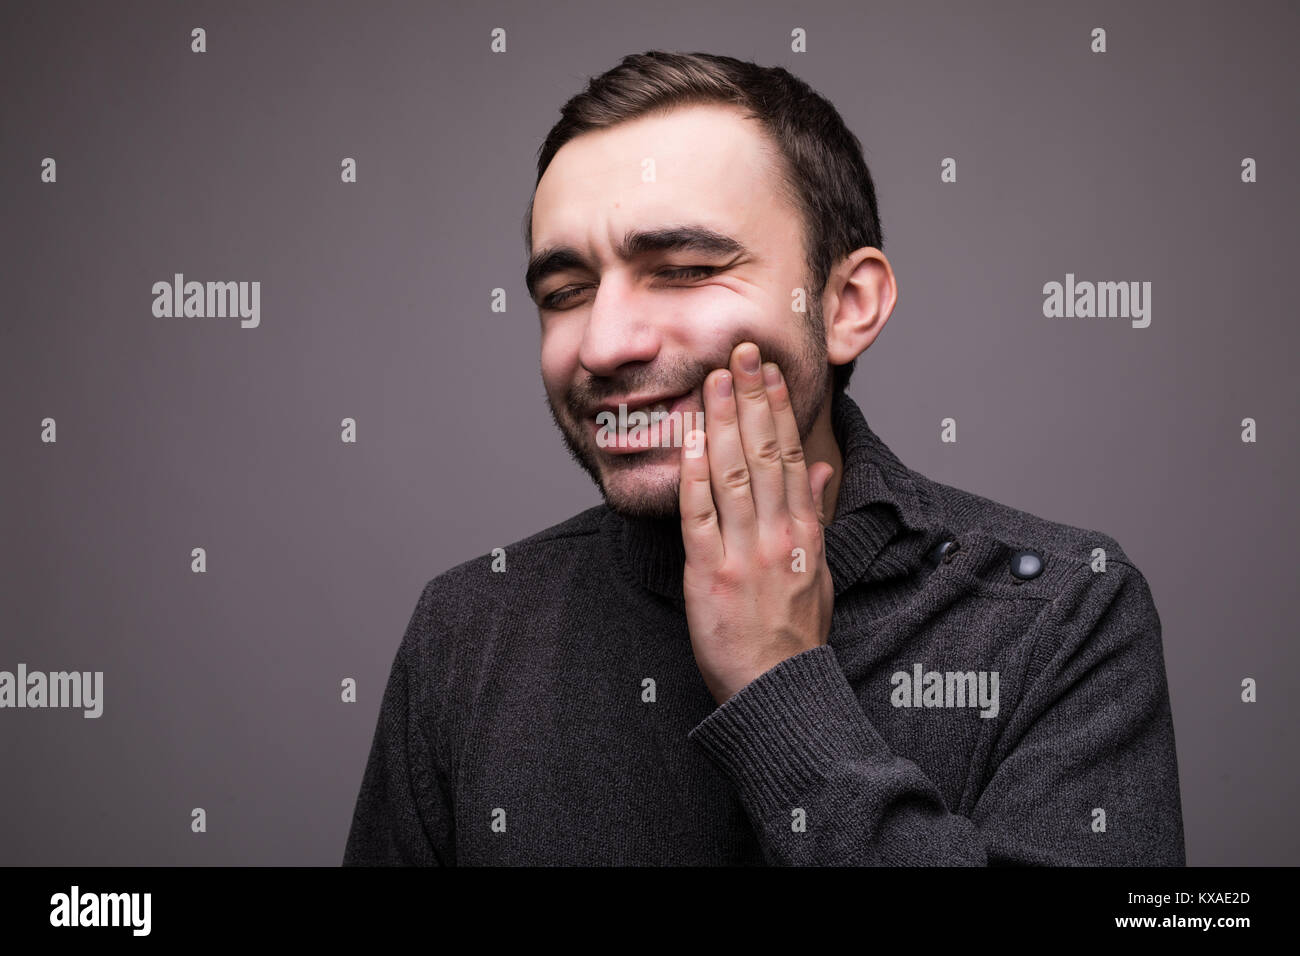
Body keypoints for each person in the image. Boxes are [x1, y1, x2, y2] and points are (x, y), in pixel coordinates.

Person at [342, 51, 1185, 866]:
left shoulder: (1063, 614)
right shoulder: (468, 630)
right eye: (565, 293)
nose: (601, 344)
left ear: (848, 304)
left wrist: (778, 684)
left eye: (683, 270)